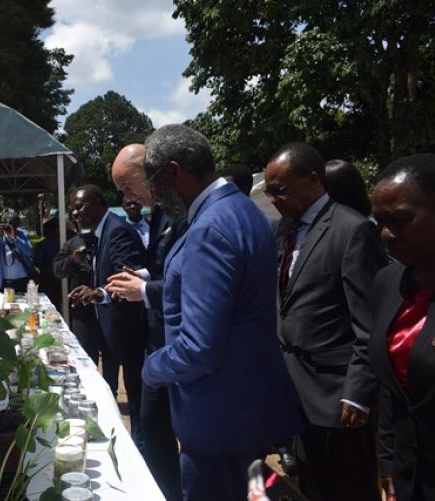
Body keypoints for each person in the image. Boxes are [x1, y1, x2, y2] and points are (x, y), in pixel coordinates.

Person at [141, 125, 303, 500]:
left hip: (217, 422)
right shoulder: (241, 209)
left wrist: (151, 369)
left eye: (153, 182)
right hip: (243, 411)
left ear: (173, 172)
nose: (153, 196)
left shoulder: (210, 228)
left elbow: (198, 348)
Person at [265, 142, 387, 501]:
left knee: (349, 489)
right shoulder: (288, 231)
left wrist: (358, 393)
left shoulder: (351, 230)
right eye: (269, 192)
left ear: (313, 180)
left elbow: (369, 321)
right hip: (298, 391)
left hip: (338, 399)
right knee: (313, 487)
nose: (273, 199)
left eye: (279, 190)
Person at [105, 143, 183, 500]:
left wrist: (146, 289)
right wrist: (138, 276)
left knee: (165, 425)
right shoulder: (159, 212)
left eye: (127, 186)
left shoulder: (179, 210)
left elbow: (188, 277)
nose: (126, 196)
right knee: (152, 423)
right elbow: (163, 265)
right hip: (157, 335)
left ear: (145, 173)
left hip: (176, 336)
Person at [368, 154, 435, 501]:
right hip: (410, 477)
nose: (387, 234)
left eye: (401, 220)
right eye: (380, 221)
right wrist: (389, 464)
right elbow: (391, 392)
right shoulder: (387, 282)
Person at [67, 184, 147, 450]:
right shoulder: (102, 232)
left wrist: (99, 293)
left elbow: (130, 278)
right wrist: (94, 292)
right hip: (114, 328)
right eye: (73, 208)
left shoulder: (118, 231)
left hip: (129, 329)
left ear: (99, 203)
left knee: (137, 401)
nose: (75, 212)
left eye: (80, 206)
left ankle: (141, 451)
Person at [53, 229, 115, 386]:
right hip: (83, 311)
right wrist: (73, 259)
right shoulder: (72, 243)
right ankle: (90, 387)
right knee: (86, 355)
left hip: (108, 308)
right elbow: (58, 270)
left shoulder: (107, 239)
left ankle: (111, 392)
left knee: (110, 357)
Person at [0, 209, 34, 293]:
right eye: (10, 223)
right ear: (5, 222)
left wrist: (15, 238)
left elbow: (29, 252)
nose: (12, 226)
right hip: (4, 281)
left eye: (15, 223)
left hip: (22, 280)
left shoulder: (23, 234)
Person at [35, 217, 62, 310]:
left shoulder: (43, 244)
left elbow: (38, 260)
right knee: (57, 303)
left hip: (47, 279)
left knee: (46, 305)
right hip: (60, 278)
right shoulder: (62, 242)